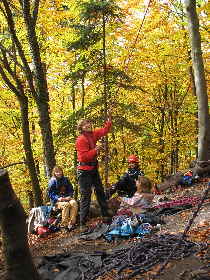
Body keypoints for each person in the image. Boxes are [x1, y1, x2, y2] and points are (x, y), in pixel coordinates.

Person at [76, 114, 112, 227]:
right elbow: (84, 157)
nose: (88, 125)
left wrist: (109, 121)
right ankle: (83, 222)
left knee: (100, 191)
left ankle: (105, 214)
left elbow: (104, 131)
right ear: (81, 128)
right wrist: (96, 150)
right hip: (84, 171)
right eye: (85, 124)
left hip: (93, 168)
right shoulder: (81, 139)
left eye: (88, 123)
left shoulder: (93, 134)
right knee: (86, 195)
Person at [48, 166, 78, 231]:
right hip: (57, 201)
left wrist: (70, 196)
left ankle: (72, 223)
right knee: (66, 205)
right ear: (54, 173)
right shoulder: (52, 181)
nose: (58, 173)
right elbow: (51, 194)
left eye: (60, 171)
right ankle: (64, 225)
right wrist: (59, 198)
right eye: (57, 172)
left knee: (74, 203)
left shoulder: (66, 179)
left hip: (67, 198)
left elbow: (71, 189)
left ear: (62, 171)